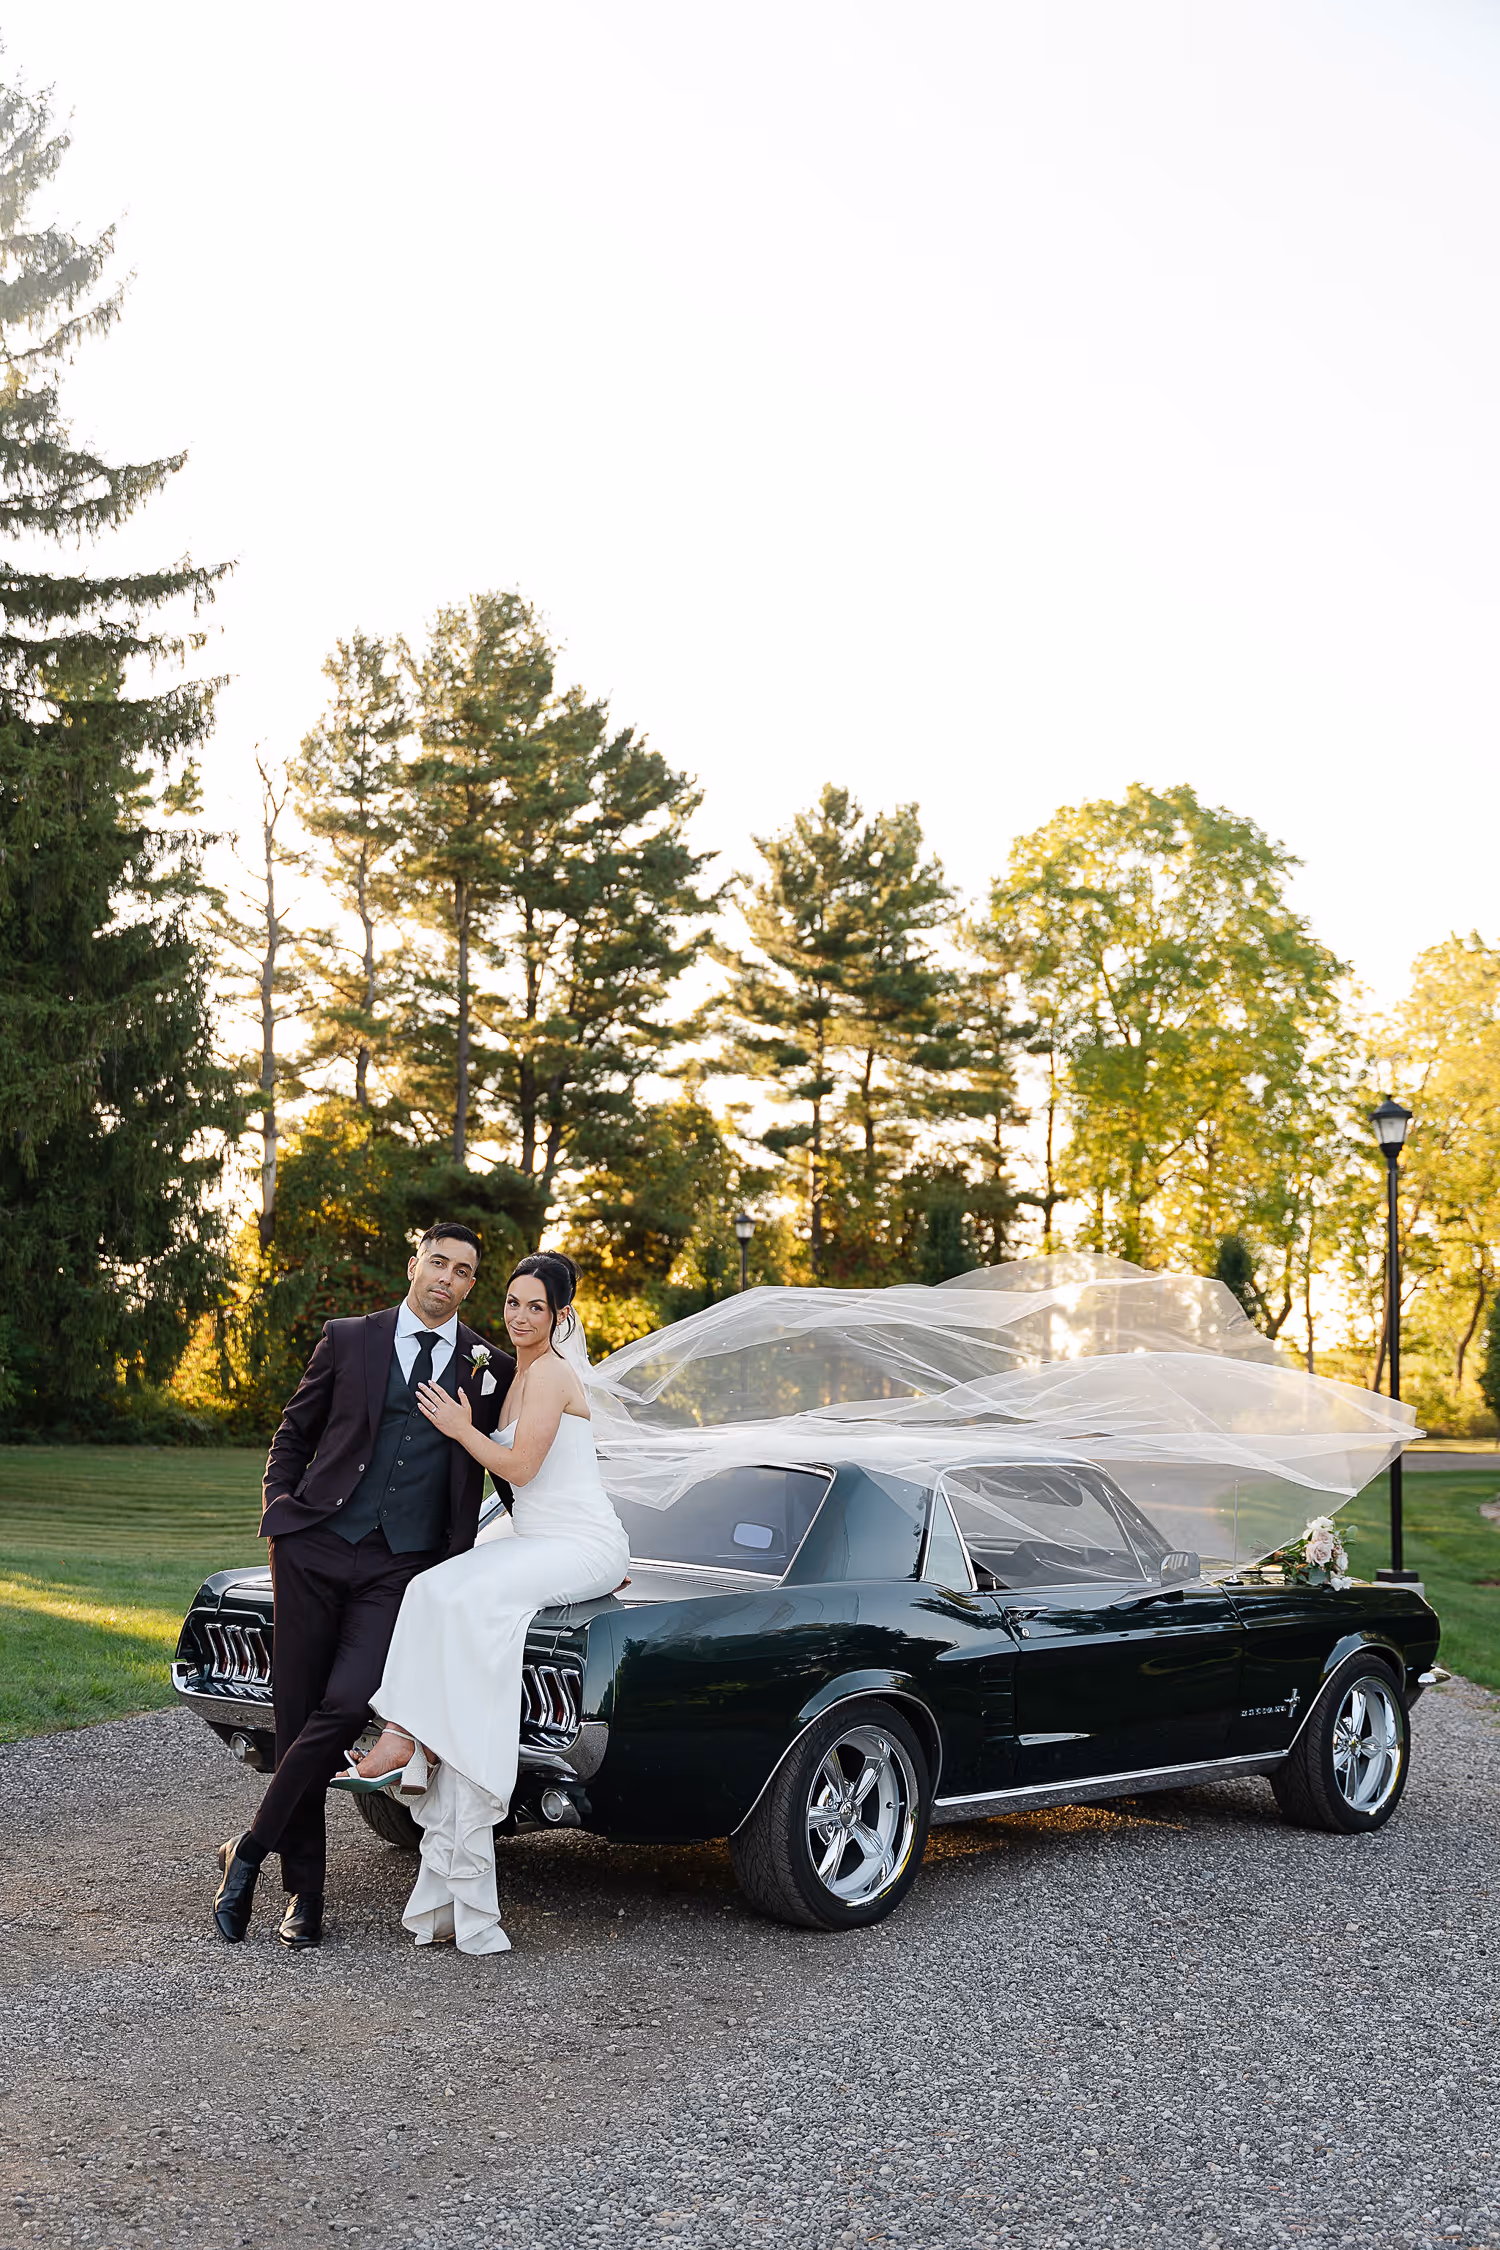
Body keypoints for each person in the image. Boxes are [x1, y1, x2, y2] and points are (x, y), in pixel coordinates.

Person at [211, 1223, 514, 1950]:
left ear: (472, 1285)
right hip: (314, 1546)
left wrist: (571, 1542)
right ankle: (304, 1896)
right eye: (437, 1262)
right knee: (296, 1717)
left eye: (463, 1270)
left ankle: (246, 1850)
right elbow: (295, 1431)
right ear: (414, 1265)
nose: (447, 1277)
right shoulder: (349, 1338)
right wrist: (281, 1516)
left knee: (347, 1707)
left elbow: (508, 1462)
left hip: (401, 1567)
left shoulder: (488, 1366)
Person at [342, 1250, 628, 1955]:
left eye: (536, 1307)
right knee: (431, 1588)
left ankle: (417, 1739)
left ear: (562, 1315)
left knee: (467, 1603)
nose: (520, 1317)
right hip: (536, 1539)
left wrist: (461, 1429)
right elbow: (521, 1486)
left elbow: (523, 1467)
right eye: (512, 1303)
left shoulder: (555, 1373)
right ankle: (410, 1731)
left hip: (580, 1543)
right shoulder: (519, 1375)